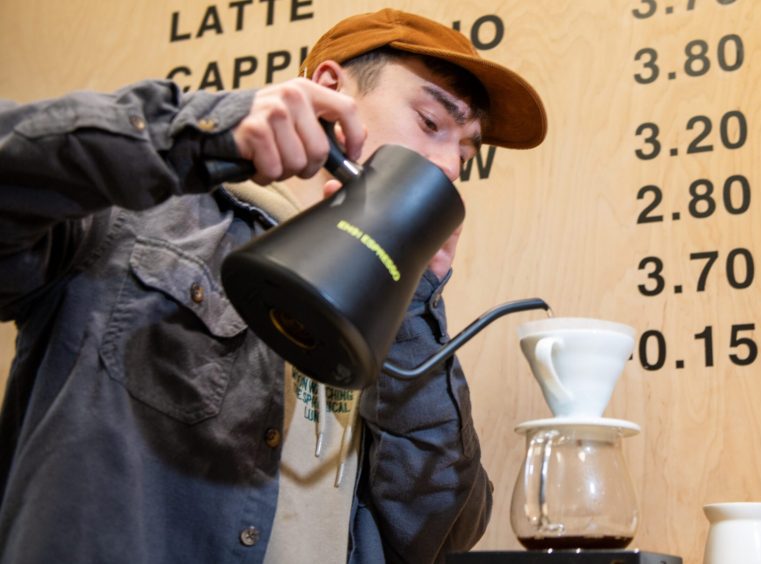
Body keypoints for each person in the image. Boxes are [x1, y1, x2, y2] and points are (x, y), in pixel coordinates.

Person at [0, 8, 546, 564]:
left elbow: (439, 531)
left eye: (466, 151)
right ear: (331, 91)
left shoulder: (383, 311)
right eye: (431, 123)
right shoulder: (136, 219)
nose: (452, 166)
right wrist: (199, 131)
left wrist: (412, 304)